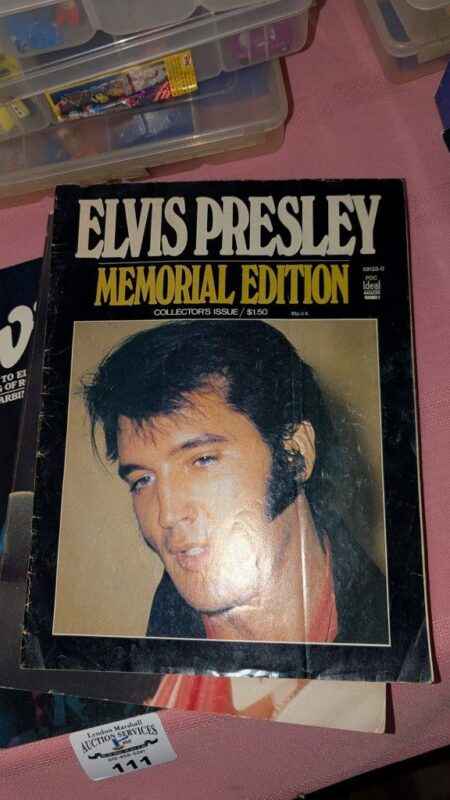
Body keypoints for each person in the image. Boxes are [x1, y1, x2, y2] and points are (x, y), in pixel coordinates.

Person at [83, 320, 388, 644]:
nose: (167, 515)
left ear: (295, 452)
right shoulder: (149, 665)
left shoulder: (404, 635)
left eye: (203, 460)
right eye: (143, 480)